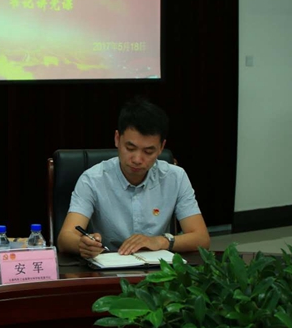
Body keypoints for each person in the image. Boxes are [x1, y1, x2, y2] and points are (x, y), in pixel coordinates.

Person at [57, 96, 211, 258]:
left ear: (161, 147)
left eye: (148, 151)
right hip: (109, 264)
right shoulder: (92, 179)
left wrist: (160, 241)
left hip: (157, 267)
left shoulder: (175, 177)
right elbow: (65, 237)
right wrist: (82, 244)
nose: (137, 159)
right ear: (117, 139)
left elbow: (202, 238)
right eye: (130, 148)